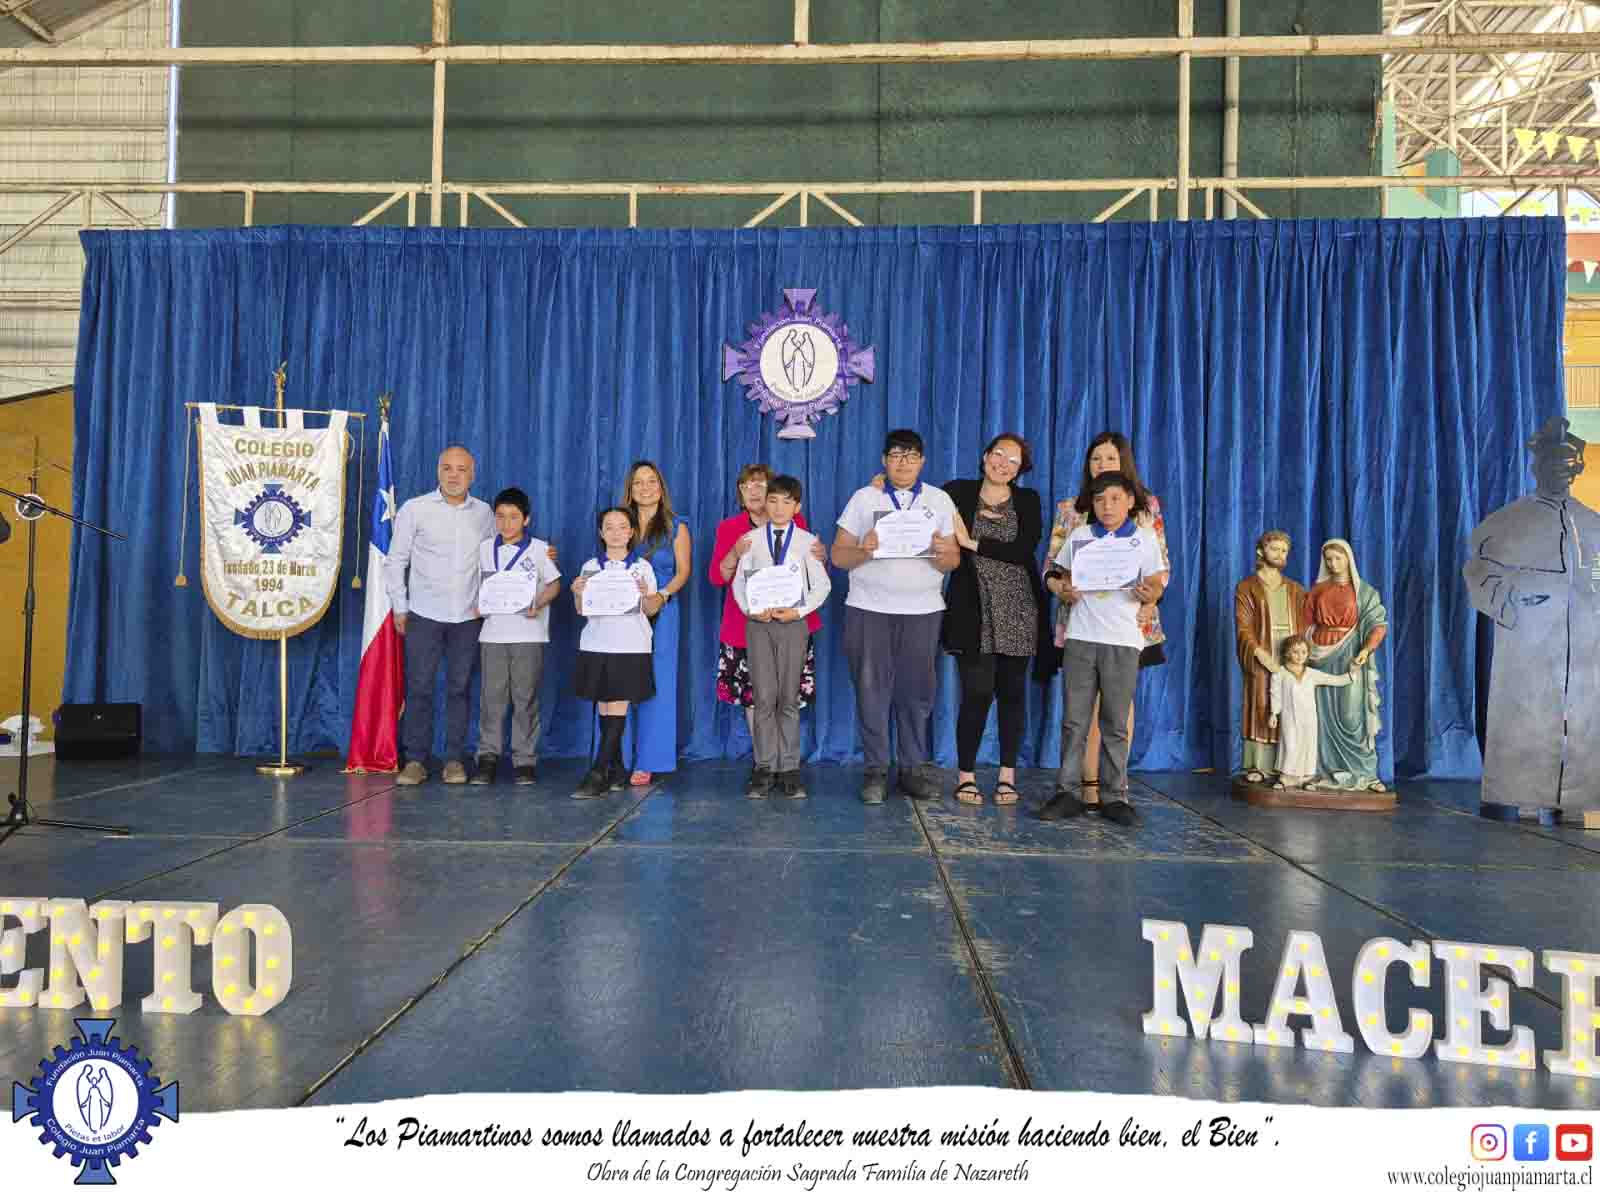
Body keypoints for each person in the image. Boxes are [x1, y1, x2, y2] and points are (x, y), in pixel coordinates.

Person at [1464, 416, 1600, 811]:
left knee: (1584, 718)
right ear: (1537, 467)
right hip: (1530, 638)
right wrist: (1516, 601)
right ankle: (1524, 801)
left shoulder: (1592, 523)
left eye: (1568, 465)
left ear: (1577, 469)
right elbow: (1479, 571)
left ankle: (1578, 802)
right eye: (1552, 464)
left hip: (1585, 639)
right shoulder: (1507, 522)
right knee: (1528, 714)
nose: (1561, 472)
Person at [832, 428, 960, 805]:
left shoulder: (939, 500)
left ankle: (912, 769)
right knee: (870, 689)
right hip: (869, 608)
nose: (903, 463)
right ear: (884, 461)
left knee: (917, 692)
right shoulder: (864, 498)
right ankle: (875, 769)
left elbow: (953, 560)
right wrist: (863, 549)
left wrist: (941, 553)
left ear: (922, 461)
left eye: (911, 456)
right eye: (896, 455)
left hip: (923, 610)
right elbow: (838, 556)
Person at [1046, 432, 1169, 804]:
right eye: (1095, 458)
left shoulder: (1145, 523)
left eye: (1110, 458)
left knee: (1116, 717)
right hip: (1081, 629)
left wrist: (1151, 595)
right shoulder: (1076, 523)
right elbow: (1054, 570)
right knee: (1075, 718)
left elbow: (1159, 575)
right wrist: (1062, 588)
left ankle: (1116, 795)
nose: (1102, 464)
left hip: (1126, 632)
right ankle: (1074, 791)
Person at [940, 433, 1051, 806]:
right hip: (972, 609)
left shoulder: (1028, 500)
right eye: (998, 454)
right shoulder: (957, 491)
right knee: (977, 692)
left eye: (1012, 460)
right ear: (985, 455)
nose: (1002, 463)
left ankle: (1007, 776)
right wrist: (881, 487)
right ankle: (966, 776)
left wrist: (972, 543)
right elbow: (920, 506)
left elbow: (1023, 550)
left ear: (1020, 470)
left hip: (1019, 606)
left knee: (1012, 695)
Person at [386, 445, 495, 786]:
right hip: (423, 614)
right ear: (438, 472)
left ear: (472, 475)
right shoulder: (415, 509)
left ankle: (454, 760)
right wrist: (400, 606)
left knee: (459, 689)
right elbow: (396, 560)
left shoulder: (485, 513)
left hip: (468, 616)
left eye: (461, 469)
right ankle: (416, 760)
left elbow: (497, 559)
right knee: (419, 687)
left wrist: (541, 554)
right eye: (447, 468)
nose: (453, 475)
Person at [732, 475, 832, 799]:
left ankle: (789, 769)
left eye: (786, 502)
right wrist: (750, 609)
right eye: (773, 500)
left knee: (788, 699)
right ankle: (764, 768)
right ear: (765, 503)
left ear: (797, 507)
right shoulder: (750, 540)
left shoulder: (806, 541)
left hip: (792, 625)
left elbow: (823, 585)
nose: (778, 508)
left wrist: (798, 611)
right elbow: (739, 582)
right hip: (759, 624)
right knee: (763, 698)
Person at [709, 464, 826, 732]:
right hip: (747, 625)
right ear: (740, 493)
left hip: (791, 623)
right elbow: (717, 578)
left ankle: (785, 756)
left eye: (760, 485)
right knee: (755, 699)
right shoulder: (730, 528)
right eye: (746, 486)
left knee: (787, 696)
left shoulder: (798, 524)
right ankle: (762, 755)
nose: (752, 491)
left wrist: (821, 556)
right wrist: (734, 553)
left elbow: (813, 575)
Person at [470, 487, 562, 787]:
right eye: (500, 516)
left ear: (526, 519)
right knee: (491, 698)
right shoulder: (485, 548)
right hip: (493, 634)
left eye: (513, 517)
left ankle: (524, 760)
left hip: (528, 634)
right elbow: (477, 584)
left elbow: (554, 584)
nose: (506, 523)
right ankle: (488, 757)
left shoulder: (539, 549)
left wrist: (539, 603)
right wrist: (477, 604)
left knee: (525, 697)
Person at [570, 507, 658, 799]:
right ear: (601, 532)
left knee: (618, 703)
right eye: (609, 527)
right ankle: (617, 770)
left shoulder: (642, 567)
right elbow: (582, 610)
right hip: (596, 642)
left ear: (631, 532)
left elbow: (651, 609)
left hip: (630, 644)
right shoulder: (590, 566)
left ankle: (597, 772)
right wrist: (577, 593)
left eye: (622, 527)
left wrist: (645, 595)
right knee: (605, 705)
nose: (616, 532)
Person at [620, 461, 692, 786]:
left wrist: (661, 596)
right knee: (621, 681)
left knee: (657, 684)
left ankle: (649, 760)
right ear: (630, 490)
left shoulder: (677, 526)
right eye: (638, 482)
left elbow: (683, 571)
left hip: (662, 610)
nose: (645, 487)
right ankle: (618, 756)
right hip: (624, 613)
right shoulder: (620, 524)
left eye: (651, 481)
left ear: (661, 488)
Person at [1303, 539, 1388, 792]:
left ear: (1348, 559)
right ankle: (1322, 771)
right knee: (1320, 716)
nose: (1332, 563)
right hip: (1319, 656)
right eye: (1328, 559)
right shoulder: (1318, 590)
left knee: (1352, 716)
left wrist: (1366, 650)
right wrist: (1301, 653)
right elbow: (1303, 623)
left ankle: (1365, 774)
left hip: (1351, 656)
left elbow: (1378, 624)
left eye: (1337, 558)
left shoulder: (1364, 592)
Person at [1234, 530, 1307, 784]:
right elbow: (1243, 627)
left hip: (1292, 656)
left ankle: (1289, 764)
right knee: (1261, 705)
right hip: (1263, 653)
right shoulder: (1247, 587)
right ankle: (1258, 765)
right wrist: (1259, 654)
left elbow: (1306, 625)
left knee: (1290, 708)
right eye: (1275, 549)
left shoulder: (1296, 590)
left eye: (1284, 551)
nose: (1280, 554)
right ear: (1260, 551)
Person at [1268, 634, 1358, 789]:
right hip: (1289, 718)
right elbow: (1275, 694)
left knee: (1308, 746)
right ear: (1287, 653)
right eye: (1295, 652)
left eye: (1303, 652)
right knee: (1290, 745)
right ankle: (1286, 777)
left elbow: (1334, 680)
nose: (1300, 656)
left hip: (1309, 719)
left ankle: (1306, 778)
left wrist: (1352, 674)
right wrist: (1274, 713)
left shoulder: (1311, 673)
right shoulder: (1280, 673)